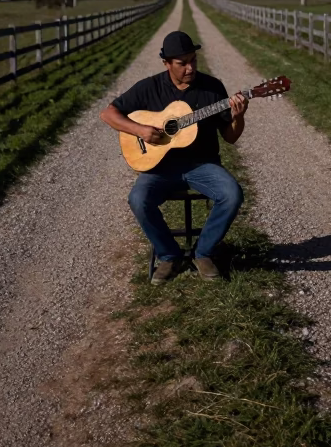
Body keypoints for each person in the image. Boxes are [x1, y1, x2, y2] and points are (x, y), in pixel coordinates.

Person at [100, 30, 247, 284]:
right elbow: (108, 114)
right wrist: (140, 130)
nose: (190, 68)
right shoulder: (149, 87)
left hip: (203, 164)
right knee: (138, 199)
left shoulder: (212, 88)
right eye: (182, 63)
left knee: (232, 194)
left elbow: (230, 137)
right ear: (166, 63)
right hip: (160, 167)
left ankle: (204, 253)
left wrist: (239, 116)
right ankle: (169, 256)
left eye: (193, 60)